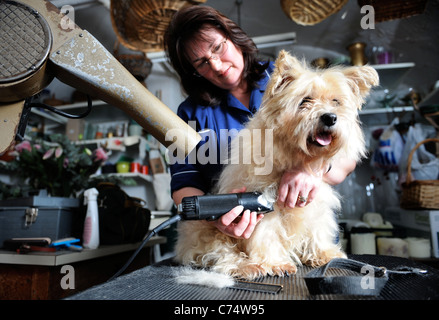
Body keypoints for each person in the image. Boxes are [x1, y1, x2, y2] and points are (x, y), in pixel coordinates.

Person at [164, 6, 356, 240]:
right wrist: (214, 218)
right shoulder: (187, 114)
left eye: (218, 48)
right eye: (201, 63)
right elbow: (183, 184)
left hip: (308, 235)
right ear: (192, 72)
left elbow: (349, 156)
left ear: (233, 37)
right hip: (240, 241)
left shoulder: (291, 81)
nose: (216, 65)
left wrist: (310, 170)